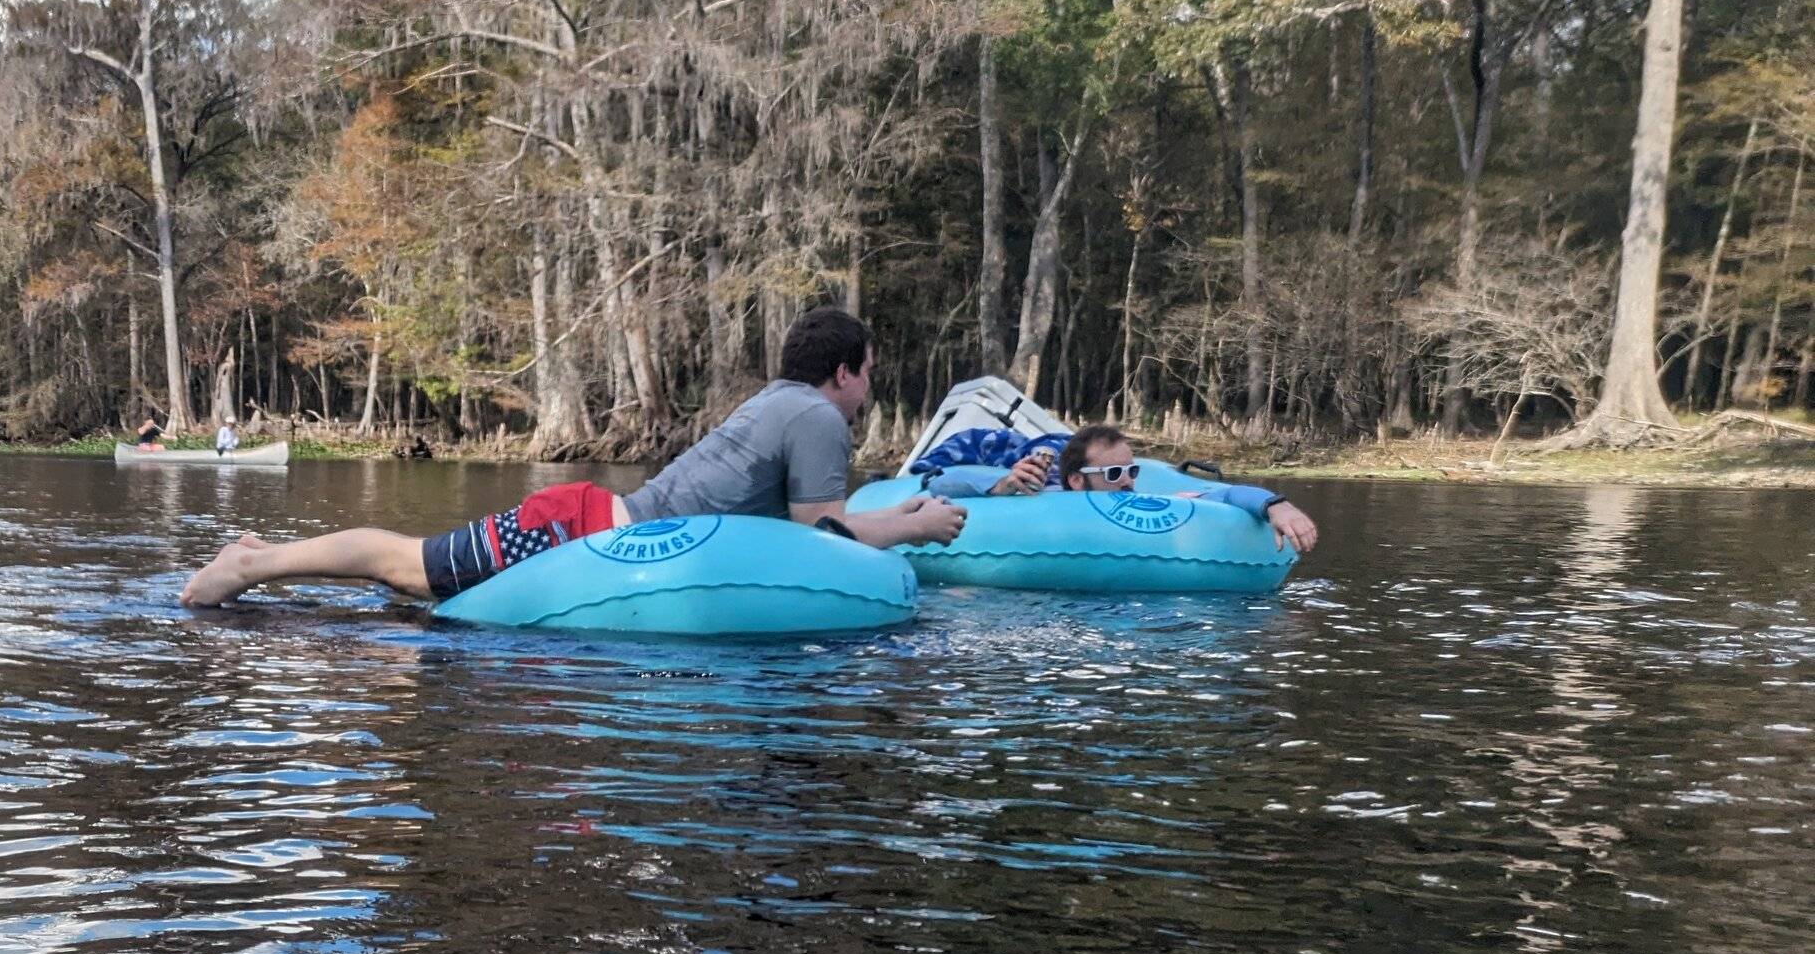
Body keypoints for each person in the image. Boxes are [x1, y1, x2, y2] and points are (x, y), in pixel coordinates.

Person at [181, 308, 962, 607]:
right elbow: (822, 537)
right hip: (585, 530)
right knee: (409, 568)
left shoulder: (779, 403)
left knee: (414, 576)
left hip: (594, 525)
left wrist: (899, 514)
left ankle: (261, 556)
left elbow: (810, 526)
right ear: (844, 373)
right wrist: (915, 528)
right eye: (869, 373)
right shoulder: (818, 417)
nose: (869, 390)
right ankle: (251, 564)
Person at [925, 424, 1317, 554]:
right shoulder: (1044, 500)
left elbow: (1223, 496)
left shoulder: (1146, 502)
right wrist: (1002, 485)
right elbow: (939, 484)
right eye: (1114, 473)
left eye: (1130, 470)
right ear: (1076, 480)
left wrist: (1275, 505)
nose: (1127, 481)